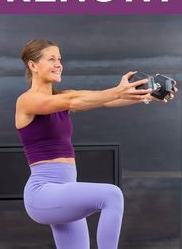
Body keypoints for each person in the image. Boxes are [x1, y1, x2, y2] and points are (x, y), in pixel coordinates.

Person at [15, 39, 177, 249]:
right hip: (42, 194)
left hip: (65, 192)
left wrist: (146, 94)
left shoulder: (63, 95)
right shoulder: (26, 101)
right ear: (33, 65)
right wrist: (117, 91)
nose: (59, 64)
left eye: (60, 59)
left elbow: (106, 100)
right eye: (51, 59)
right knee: (112, 195)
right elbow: (73, 102)